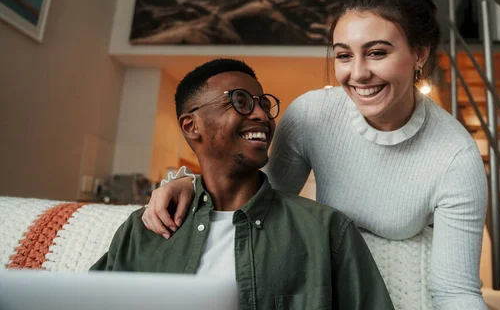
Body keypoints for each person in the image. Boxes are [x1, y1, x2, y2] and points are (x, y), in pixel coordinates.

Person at [143, 0, 488, 309]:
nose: (358, 73)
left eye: (378, 52)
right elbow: (261, 202)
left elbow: (456, 292)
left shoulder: (455, 156)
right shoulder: (312, 114)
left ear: (420, 54)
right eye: (343, 55)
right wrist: (191, 184)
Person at [90, 59, 394, 310]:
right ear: (191, 125)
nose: (261, 114)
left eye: (263, 103)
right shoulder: (144, 229)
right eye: (240, 101)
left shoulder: (326, 230)